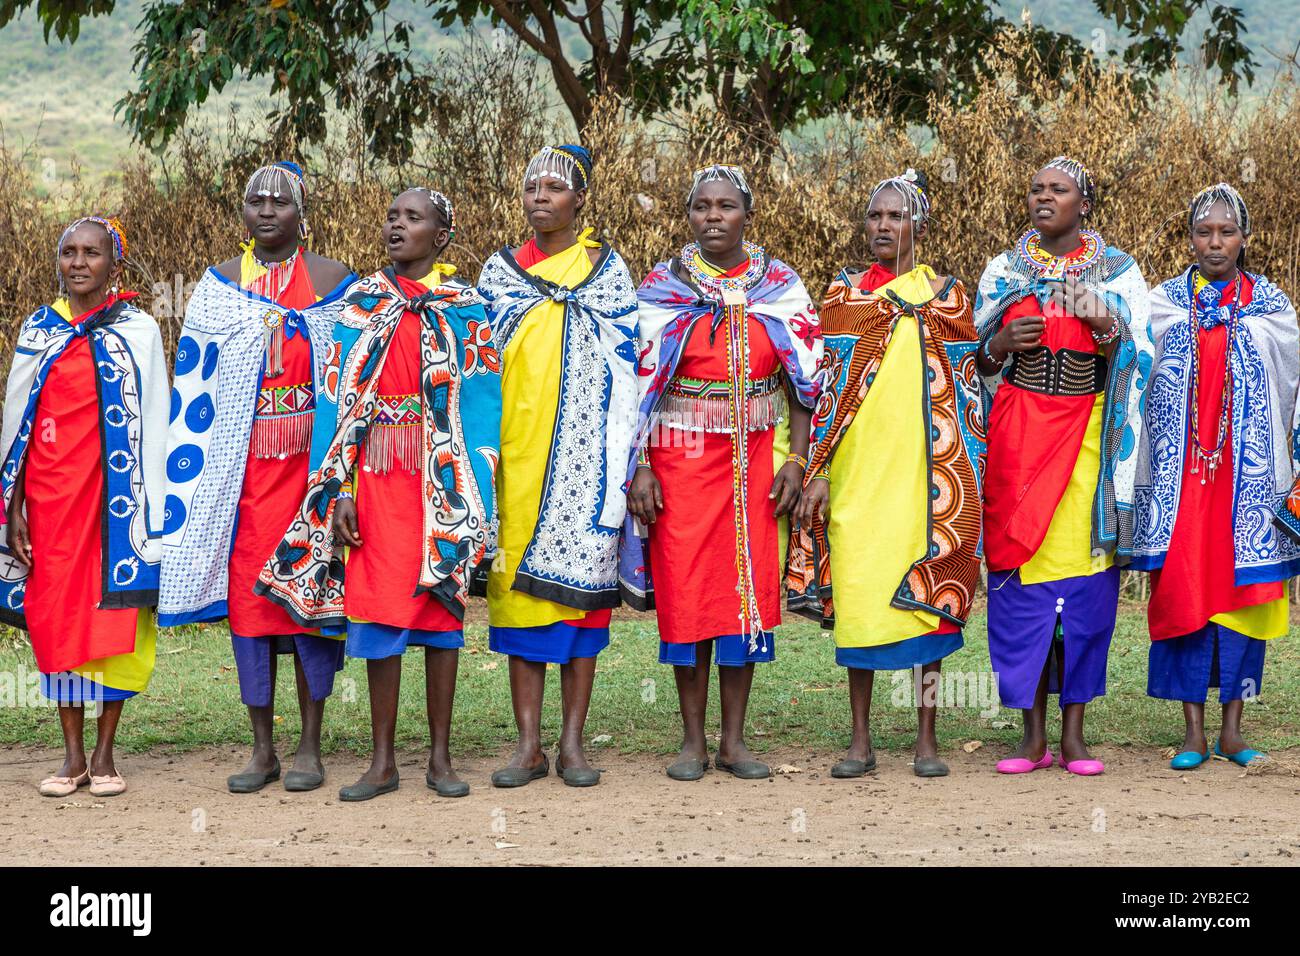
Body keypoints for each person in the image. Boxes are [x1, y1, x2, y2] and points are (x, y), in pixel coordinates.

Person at [258, 187, 500, 800]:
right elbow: (336, 404)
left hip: (440, 484)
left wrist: (475, 492)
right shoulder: (359, 305)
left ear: (441, 236)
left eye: (413, 218)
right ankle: (383, 761)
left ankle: (441, 760)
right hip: (375, 484)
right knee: (378, 618)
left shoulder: (469, 311)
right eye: (392, 216)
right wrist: (338, 487)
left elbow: (482, 407)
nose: (397, 226)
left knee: (440, 613)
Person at [158, 162, 356, 794]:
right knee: (250, 609)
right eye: (255, 201)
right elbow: (196, 391)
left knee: (309, 608)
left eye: (280, 201)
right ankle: (262, 749)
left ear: (303, 211)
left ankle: (309, 747)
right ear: (242, 212)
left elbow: (354, 387)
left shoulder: (335, 283)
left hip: (312, 480)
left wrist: (344, 479)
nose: (266, 210)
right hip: (240, 482)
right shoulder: (218, 290)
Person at [623, 164, 820, 781]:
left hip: (757, 464)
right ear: (689, 216)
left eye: (726, 206)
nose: (713, 216)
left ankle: (733, 742)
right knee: (686, 593)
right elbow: (638, 386)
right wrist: (644, 467)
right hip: (679, 461)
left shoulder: (781, 288)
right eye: (702, 206)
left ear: (747, 215)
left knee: (747, 595)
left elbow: (805, 384)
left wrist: (796, 458)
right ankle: (690, 741)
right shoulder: (662, 288)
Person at [789, 170, 985, 778]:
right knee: (862, 599)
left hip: (929, 482)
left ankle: (926, 739)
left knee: (928, 600)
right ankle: (860, 740)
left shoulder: (950, 297)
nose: (882, 226)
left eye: (895, 217)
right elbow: (822, 389)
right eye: (874, 216)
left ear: (917, 227)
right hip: (856, 480)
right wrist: (816, 469)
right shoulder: (843, 296)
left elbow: (971, 391)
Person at [975, 156, 1152, 776]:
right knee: (1019, 580)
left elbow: (1139, 352)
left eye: (1059, 190)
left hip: (1088, 436)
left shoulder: (1118, 271)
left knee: (1086, 585)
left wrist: (1104, 322)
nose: (1044, 197)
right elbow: (975, 362)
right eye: (1036, 188)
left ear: (1085, 203)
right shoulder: (1004, 270)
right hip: (1020, 432)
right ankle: (1030, 737)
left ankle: (1074, 736)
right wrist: (1000, 344)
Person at [476, 145, 638, 788]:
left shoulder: (607, 273)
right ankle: (527, 746)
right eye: (531, 187)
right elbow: (477, 367)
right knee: (516, 600)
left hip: (587, 459)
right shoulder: (498, 273)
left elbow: (633, 369)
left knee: (580, 603)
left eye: (554, 187)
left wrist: (631, 454)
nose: (540, 196)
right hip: (514, 454)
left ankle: (573, 744)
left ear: (580, 199)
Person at [0, 216, 168, 797]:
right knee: (56, 620)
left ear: (113, 264)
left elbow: (155, 427)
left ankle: (105, 755)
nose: (78, 263)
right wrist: (13, 507)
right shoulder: (38, 330)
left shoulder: (139, 331)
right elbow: (17, 428)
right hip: (50, 504)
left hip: (116, 510)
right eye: (68, 252)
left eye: (91, 253)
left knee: (115, 617)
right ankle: (70, 756)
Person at [1136, 184, 1299, 769]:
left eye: (1226, 232)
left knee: (1244, 597)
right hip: (1183, 481)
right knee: (1184, 591)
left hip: (1246, 480)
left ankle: (1234, 730)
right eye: (1204, 232)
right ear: (1190, 238)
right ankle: (1192, 734)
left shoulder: (1273, 307)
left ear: (1244, 239)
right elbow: (1136, 378)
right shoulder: (1162, 305)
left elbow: (1290, 386)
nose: (1215, 242)